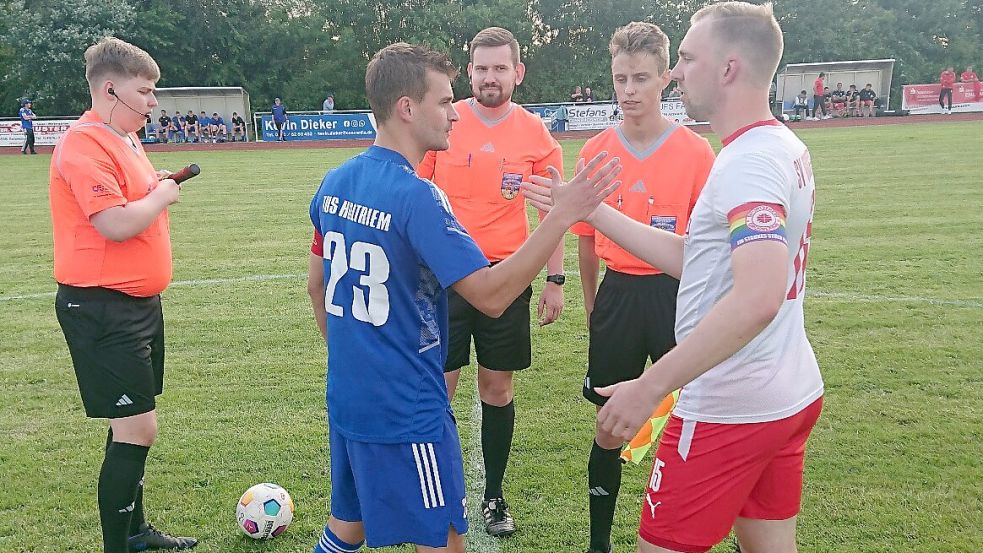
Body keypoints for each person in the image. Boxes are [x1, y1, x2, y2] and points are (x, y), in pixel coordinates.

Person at [526, 3, 824, 552]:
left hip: (732, 406)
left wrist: (651, 385)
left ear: (728, 68)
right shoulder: (778, 145)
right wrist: (589, 209)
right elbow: (701, 259)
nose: (678, 72)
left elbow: (758, 297)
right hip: (789, 391)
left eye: (686, 58)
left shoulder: (747, 163)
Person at [306, 41, 620, 553]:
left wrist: (355, 357)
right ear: (407, 108)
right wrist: (563, 215)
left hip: (348, 392)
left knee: (347, 526)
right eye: (443, 102)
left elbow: (317, 286)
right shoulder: (417, 196)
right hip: (407, 406)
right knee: (444, 536)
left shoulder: (336, 181)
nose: (455, 114)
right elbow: (492, 296)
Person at [570, 21, 715, 553]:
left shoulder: (697, 153)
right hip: (618, 296)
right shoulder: (595, 152)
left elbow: (708, 252)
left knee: (695, 414)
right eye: (619, 79)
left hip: (678, 296)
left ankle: (689, 525)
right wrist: (592, 307)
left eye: (640, 78)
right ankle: (599, 542)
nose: (629, 90)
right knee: (611, 422)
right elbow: (586, 240)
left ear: (665, 79)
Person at [48, 37, 197, 553]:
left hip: (135, 305)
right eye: (147, 91)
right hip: (101, 307)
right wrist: (159, 195)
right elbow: (113, 223)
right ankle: (120, 544)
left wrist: (152, 185)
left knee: (129, 426)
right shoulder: (84, 143)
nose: (154, 101)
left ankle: (135, 531)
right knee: (139, 427)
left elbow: (128, 199)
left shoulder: (126, 138)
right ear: (111, 89)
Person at [416, 26, 566, 537]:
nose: (490, 77)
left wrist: (556, 278)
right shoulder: (444, 119)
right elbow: (414, 193)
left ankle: (495, 494)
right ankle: (441, 489)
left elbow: (555, 213)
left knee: (497, 388)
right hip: (444, 279)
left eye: (500, 68)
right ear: (470, 70)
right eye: (481, 68)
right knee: (441, 388)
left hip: (506, 279)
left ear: (517, 73)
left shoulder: (536, 135)